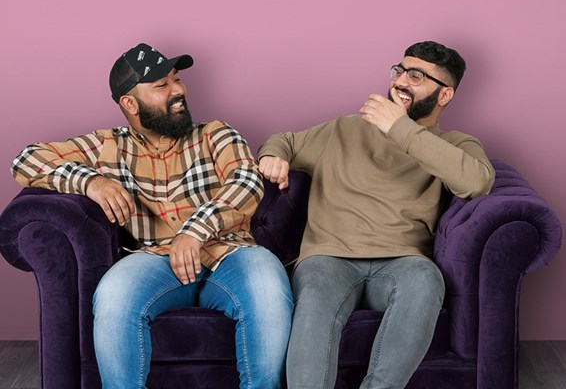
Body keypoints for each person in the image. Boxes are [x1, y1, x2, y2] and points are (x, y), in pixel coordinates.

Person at [10, 43, 293, 389]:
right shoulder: (107, 146)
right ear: (129, 103)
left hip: (231, 254)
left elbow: (247, 180)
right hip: (153, 259)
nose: (178, 91)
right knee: (114, 295)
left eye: (176, 80)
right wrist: (90, 181)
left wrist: (194, 231)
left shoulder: (215, 133)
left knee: (269, 288)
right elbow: (25, 159)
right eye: (162, 86)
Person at [258, 40, 495, 389]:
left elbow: (477, 182)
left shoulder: (455, 144)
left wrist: (399, 128)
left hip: (402, 262)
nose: (400, 81)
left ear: (444, 96)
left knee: (427, 279)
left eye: (416, 76)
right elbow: (285, 141)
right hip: (329, 257)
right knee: (316, 297)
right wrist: (273, 156)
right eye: (399, 70)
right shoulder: (345, 129)